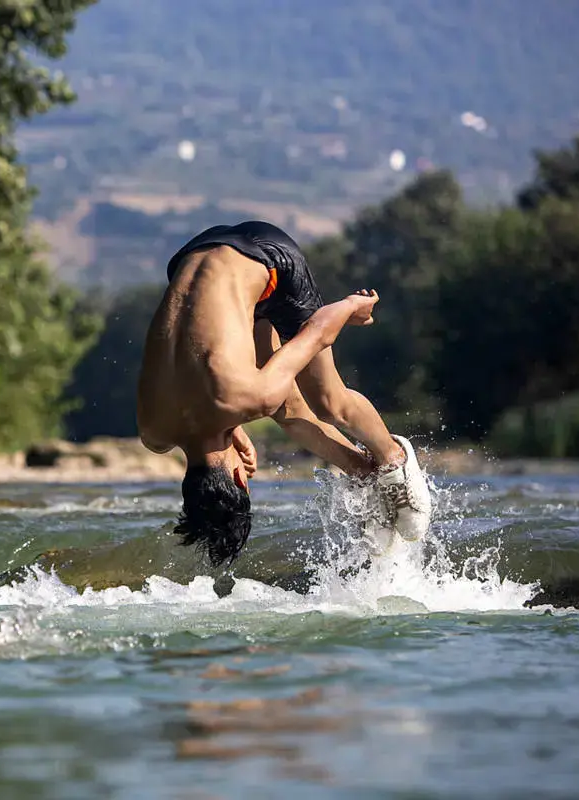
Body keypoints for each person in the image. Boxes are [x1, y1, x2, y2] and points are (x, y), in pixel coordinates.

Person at [136, 221, 431, 567]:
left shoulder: (248, 397)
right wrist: (231, 431)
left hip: (269, 257)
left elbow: (319, 330)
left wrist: (352, 307)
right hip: (193, 255)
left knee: (325, 402)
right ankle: (364, 478)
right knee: (278, 403)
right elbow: (191, 375)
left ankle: (394, 461)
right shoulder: (153, 431)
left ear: (239, 481)